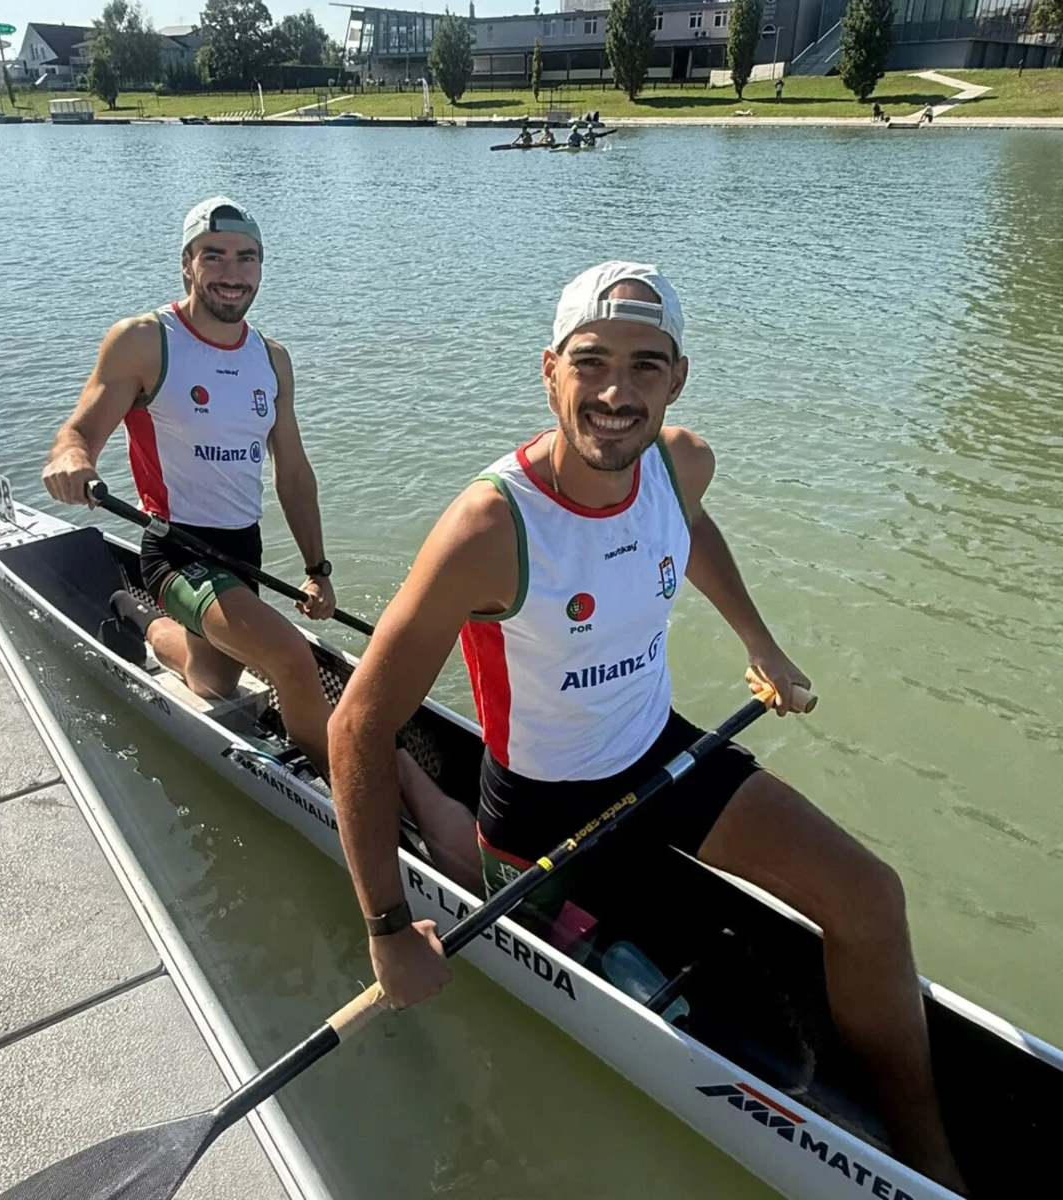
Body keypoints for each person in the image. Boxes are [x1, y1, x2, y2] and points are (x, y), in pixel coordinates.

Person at [327, 262, 970, 1196]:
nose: (617, 392)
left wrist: (764, 644)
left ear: (678, 378)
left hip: (659, 752)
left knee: (873, 898)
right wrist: (387, 930)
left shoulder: (681, 463)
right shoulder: (489, 527)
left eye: (645, 365)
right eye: (591, 362)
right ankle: (427, 794)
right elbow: (353, 722)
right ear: (549, 371)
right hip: (542, 804)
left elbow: (689, 528)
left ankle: (933, 1162)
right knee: (429, 808)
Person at [42, 196, 480, 888]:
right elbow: (81, 429)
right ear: (187, 263)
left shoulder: (271, 360)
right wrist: (71, 458)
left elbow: (294, 473)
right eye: (212, 255)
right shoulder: (143, 341)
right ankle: (375, 797)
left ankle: (140, 621)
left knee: (212, 677)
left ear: (261, 269)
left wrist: (318, 569)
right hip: (176, 550)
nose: (230, 271)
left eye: (245, 258)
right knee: (293, 664)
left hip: (239, 555)